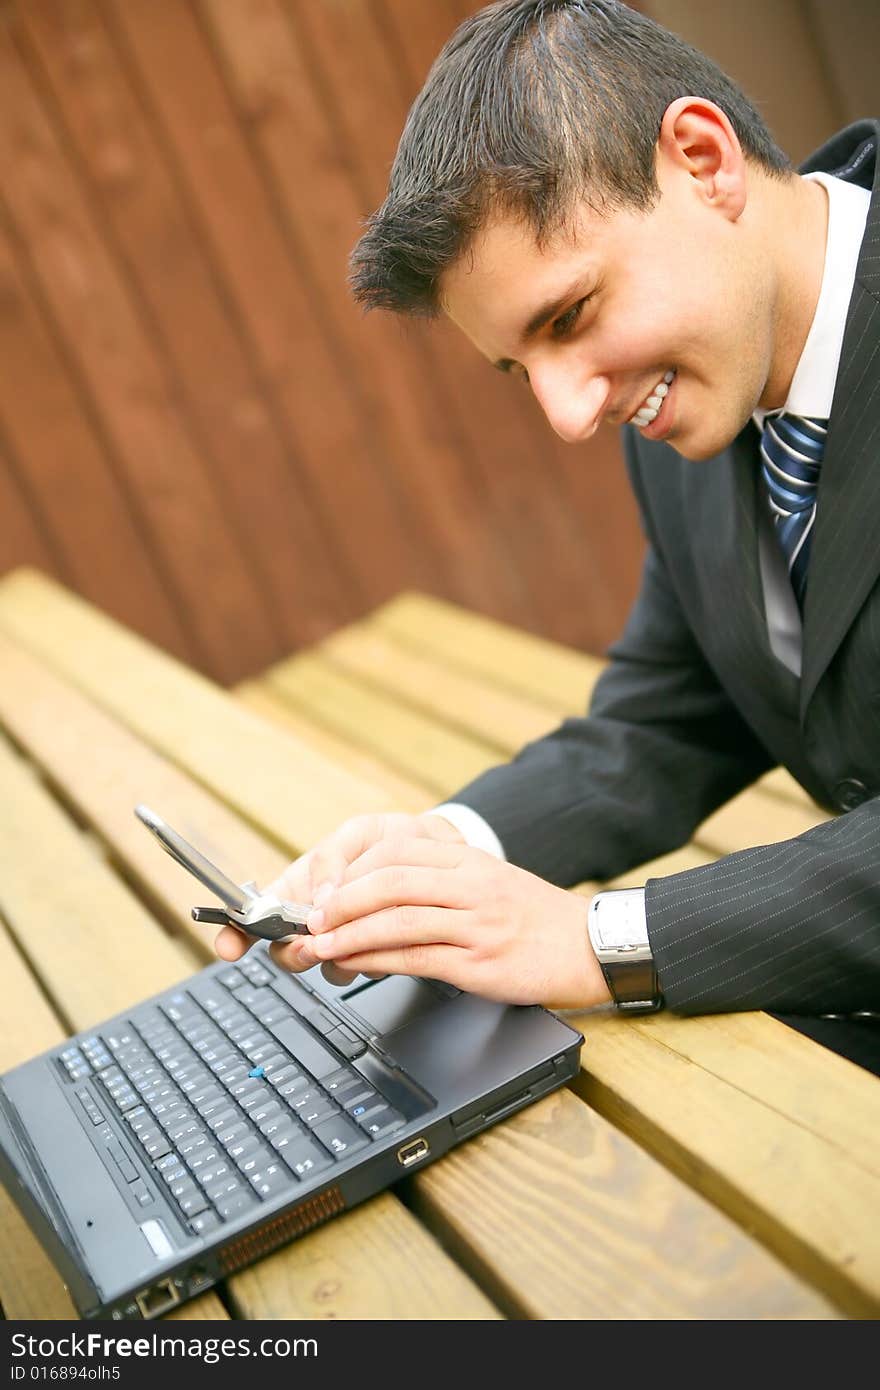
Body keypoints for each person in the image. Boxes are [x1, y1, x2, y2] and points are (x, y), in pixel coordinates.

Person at [216, 0, 880, 1071]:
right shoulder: (686, 396)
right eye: (518, 369)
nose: (569, 413)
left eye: (568, 317)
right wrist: (439, 859)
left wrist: (591, 939)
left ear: (703, 162)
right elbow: (667, 724)